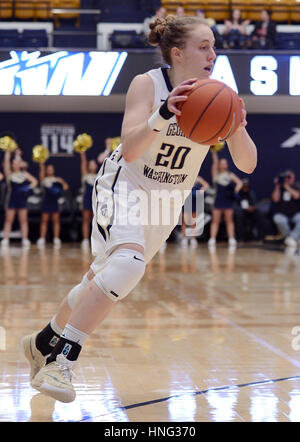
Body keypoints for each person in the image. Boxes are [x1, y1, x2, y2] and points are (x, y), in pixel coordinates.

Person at [22, 14, 257, 403]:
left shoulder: (220, 94)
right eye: (204, 46)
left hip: (167, 200)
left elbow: (248, 164)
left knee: (102, 280)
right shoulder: (147, 84)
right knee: (128, 266)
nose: (213, 53)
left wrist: (237, 126)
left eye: (213, 46)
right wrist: (163, 114)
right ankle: (61, 360)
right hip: (125, 185)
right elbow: (130, 148)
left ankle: (41, 341)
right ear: (177, 53)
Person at [1, 149, 38, 248]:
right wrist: (8, 152)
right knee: (9, 220)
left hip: (22, 200)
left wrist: (27, 188)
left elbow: (35, 182)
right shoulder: (10, 174)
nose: (15, 164)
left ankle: (25, 239)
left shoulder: (24, 174)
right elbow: (6, 163)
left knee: (23, 220)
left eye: (17, 162)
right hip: (12, 200)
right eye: (13, 162)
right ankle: (6, 239)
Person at [208, 150, 243, 248]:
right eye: (221, 163)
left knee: (229, 221)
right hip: (218, 200)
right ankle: (212, 239)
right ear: (219, 165)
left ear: (227, 165)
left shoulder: (230, 175)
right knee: (215, 221)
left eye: (225, 163)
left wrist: (235, 191)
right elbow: (214, 162)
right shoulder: (216, 175)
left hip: (227, 200)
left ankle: (231, 238)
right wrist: (214, 152)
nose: (223, 165)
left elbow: (240, 183)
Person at [37, 163, 69, 249]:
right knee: (44, 220)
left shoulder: (57, 179)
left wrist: (61, 182)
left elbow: (65, 187)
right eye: (48, 169)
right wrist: (41, 164)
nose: (50, 170)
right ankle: (42, 238)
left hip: (55, 202)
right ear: (46, 170)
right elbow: (41, 175)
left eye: (51, 169)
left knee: (56, 221)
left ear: (53, 170)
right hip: (46, 201)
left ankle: (56, 238)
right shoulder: (44, 180)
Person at [271, 170, 300, 248]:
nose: (288, 179)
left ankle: (292, 238)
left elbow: (297, 196)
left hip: (295, 214)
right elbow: (275, 199)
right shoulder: (279, 187)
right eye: (286, 177)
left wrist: (287, 187)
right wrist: (277, 185)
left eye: (289, 177)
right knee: (278, 218)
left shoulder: (296, 186)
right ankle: (291, 238)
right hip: (282, 214)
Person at [181, 175, 209, 248]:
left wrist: (200, 191)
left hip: (194, 201)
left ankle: (193, 238)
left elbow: (206, 185)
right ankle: (184, 238)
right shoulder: (185, 175)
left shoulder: (198, 178)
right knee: (184, 221)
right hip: (186, 199)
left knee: (193, 221)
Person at [234, 178, 264, 242]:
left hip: (251, 211)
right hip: (241, 211)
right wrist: (245, 208)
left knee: (259, 215)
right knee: (239, 215)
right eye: (244, 185)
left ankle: (260, 238)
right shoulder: (237, 194)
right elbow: (235, 205)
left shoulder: (251, 192)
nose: (245, 187)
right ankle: (240, 238)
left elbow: (255, 203)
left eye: (246, 185)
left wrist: (253, 207)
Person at [80, 152, 98, 250]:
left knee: (96, 221)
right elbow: (83, 164)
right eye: (90, 164)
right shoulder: (85, 176)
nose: (92, 166)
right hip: (87, 200)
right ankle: (85, 239)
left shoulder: (100, 176)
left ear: (96, 166)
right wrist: (83, 154)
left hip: (96, 201)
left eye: (93, 164)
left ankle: (95, 240)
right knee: (86, 220)